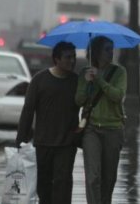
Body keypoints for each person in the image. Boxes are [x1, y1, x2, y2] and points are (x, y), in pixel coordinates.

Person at [16, 41, 79, 204]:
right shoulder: (39, 80)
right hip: (43, 143)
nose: (72, 61)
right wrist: (21, 140)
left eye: (74, 57)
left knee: (63, 184)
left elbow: (88, 106)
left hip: (67, 144)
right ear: (56, 59)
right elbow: (28, 110)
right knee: (43, 186)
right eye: (67, 57)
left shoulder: (77, 81)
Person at [75, 36, 127, 204]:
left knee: (109, 178)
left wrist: (99, 80)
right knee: (93, 176)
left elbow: (117, 96)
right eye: (107, 49)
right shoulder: (85, 72)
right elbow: (79, 101)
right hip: (91, 130)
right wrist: (87, 83)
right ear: (96, 52)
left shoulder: (119, 72)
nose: (111, 53)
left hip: (113, 128)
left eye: (112, 49)